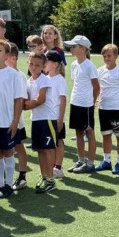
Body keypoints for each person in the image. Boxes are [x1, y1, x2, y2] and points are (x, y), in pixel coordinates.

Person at [0, 39, 25, 199]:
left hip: (7, 122)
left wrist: (15, 122)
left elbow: (18, 101)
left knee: (8, 152)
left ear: (7, 55)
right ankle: (0, 184)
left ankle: (8, 185)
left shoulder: (13, 74)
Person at [64, 35, 99, 174]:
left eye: (74, 46)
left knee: (89, 132)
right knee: (78, 132)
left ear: (83, 49)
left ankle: (90, 164)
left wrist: (92, 101)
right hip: (75, 102)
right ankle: (81, 160)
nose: (71, 48)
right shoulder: (73, 64)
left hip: (86, 105)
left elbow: (96, 86)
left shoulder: (90, 66)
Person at [24, 52, 56, 193]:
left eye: (37, 65)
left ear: (43, 66)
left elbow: (40, 100)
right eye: (31, 64)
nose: (34, 67)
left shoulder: (45, 80)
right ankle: (44, 177)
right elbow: (26, 101)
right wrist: (26, 103)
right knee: (40, 150)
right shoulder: (29, 81)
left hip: (47, 119)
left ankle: (51, 180)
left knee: (47, 150)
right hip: (36, 119)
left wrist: (26, 104)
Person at [95, 44, 119, 174]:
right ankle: (107, 161)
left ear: (116, 56)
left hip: (117, 109)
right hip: (103, 108)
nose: (106, 58)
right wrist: (95, 99)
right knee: (106, 135)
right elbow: (97, 88)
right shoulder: (99, 71)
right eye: (104, 56)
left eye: (109, 55)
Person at [5, 43, 30, 190]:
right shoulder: (3, 73)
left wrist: (16, 120)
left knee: (18, 146)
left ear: (13, 58)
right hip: (3, 119)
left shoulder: (19, 76)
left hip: (15, 120)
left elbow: (21, 100)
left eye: (5, 56)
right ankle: (4, 177)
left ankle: (22, 176)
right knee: (4, 148)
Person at [44, 50, 68, 179]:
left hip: (56, 117)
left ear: (55, 64)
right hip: (46, 117)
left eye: (46, 61)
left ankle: (58, 168)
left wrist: (60, 120)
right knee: (50, 143)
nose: (44, 64)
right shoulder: (45, 79)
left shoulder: (60, 80)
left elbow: (63, 101)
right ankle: (52, 166)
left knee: (58, 142)